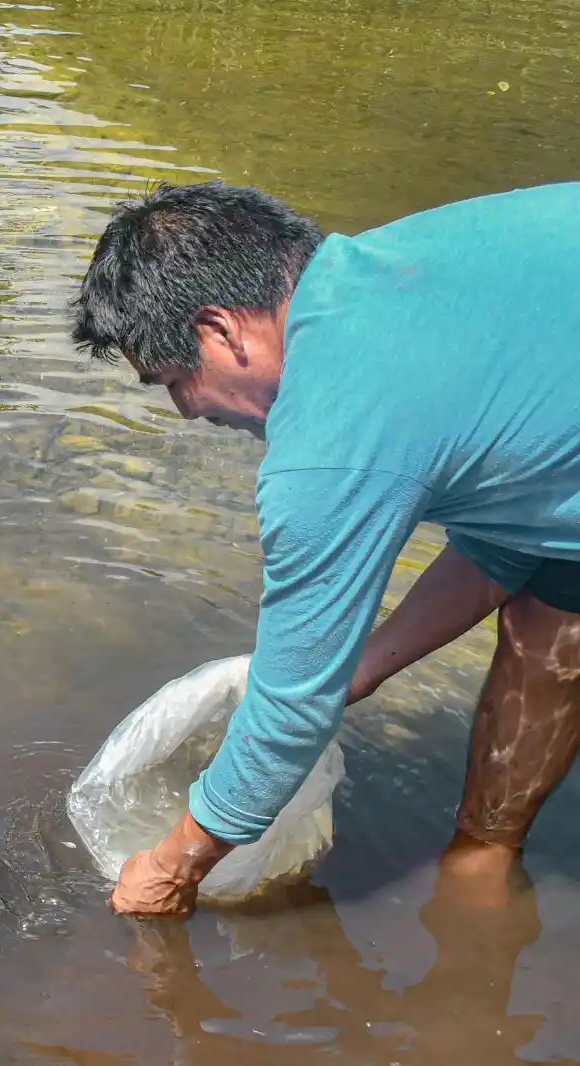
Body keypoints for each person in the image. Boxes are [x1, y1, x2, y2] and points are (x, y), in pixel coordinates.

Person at [69, 179, 580, 918]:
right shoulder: (382, 272)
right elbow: (509, 542)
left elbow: (289, 714)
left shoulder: (332, 438)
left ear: (219, 332)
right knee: (551, 603)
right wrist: (357, 669)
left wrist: (174, 865)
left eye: (176, 381)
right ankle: (485, 856)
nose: (185, 411)